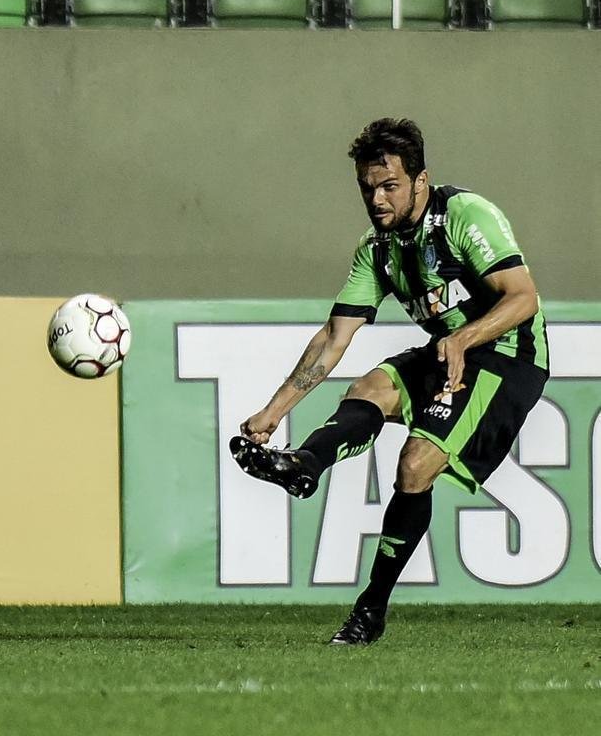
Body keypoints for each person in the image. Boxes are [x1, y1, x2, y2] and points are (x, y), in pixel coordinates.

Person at [230, 118, 547, 645]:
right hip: (448, 350)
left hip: (507, 357)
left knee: (414, 464)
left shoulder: (466, 216)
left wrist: (464, 340)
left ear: (421, 179)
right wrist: (274, 411)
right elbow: (333, 338)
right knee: (368, 389)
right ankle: (304, 464)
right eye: (366, 188)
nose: (376, 199)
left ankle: (369, 611)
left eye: (389, 186)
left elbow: (523, 298)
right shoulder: (377, 248)